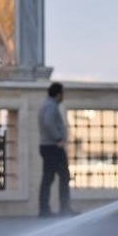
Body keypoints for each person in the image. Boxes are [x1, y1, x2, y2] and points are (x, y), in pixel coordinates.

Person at [37, 82, 74, 217]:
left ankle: (45, 209)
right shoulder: (51, 106)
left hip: (47, 146)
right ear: (58, 94)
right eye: (63, 93)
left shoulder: (47, 105)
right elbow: (48, 122)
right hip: (53, 147)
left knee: (49, 177)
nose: (63, 96)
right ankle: (64, 209)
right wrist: (58, 138)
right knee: (63, 177)